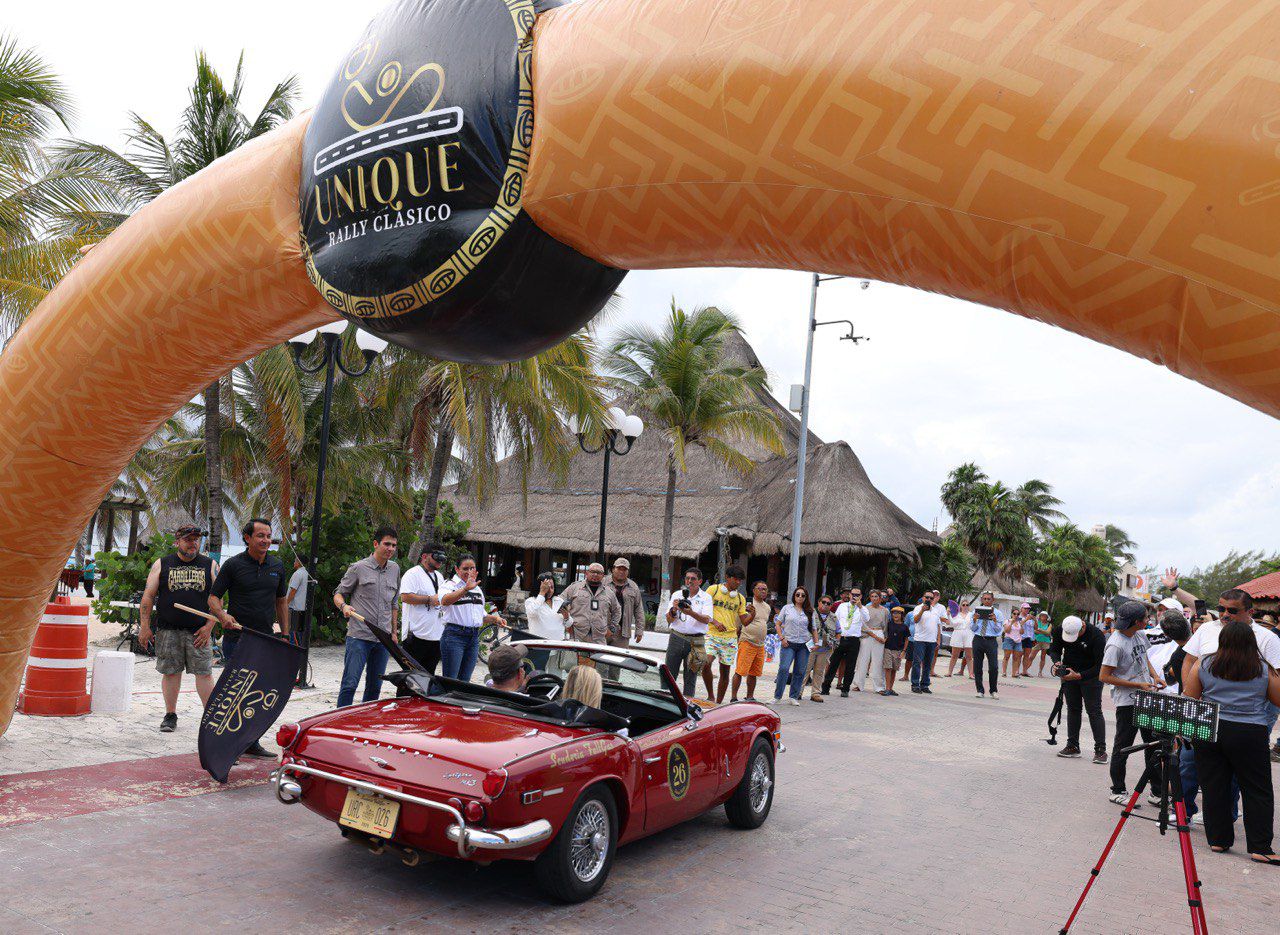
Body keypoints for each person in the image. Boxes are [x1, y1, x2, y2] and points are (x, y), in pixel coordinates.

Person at [1183, 621, 1280, 864]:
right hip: (1250, 732)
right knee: (1257, 789)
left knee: (1214, 786)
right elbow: (1278, 699)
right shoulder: (1262, 668)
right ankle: (1260, 847)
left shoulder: (1204, 663)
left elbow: (1191, 696)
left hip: (1211, 729)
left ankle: (1218, 839)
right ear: (1252, 642)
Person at [207, 518, 289, 759]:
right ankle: (225, 745)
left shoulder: (277, 565)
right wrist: (222, 615)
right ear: (247, 538)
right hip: (237, 638)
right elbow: (213, 598)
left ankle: (251, 741)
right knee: (234, 693)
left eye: (268, 536)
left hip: (265, 640)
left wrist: (285, 635)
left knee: (257, 694)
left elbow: (281, 602)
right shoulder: (233, 565)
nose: (266, 540)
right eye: (260, 536)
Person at [139, 524, 217, 733]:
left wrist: (209, 627)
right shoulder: (162, 564)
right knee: (171, 673)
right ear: (177, 542)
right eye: (188, 539)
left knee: (204, 673)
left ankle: (211, 717)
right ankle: (170, 715)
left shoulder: (210, 565)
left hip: (199, 632)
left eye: (196, 539)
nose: (193, 543)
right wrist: (144, 626)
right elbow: (148, 596)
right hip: (168, 630)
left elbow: (217, 600)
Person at [1100, 601, 1165, 805]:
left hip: (1146, 699)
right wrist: (1137, 685)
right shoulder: (1115, 644)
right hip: (1127, 703)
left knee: (1153, 745)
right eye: (1146, 617)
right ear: (1137, 621)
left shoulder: (1140, 634)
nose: (1148, 620)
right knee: (1123, 746)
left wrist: (1155, 676)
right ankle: (1117, 790)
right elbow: (1104, 676)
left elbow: (1144, 658)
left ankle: (1156, 792)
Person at [334, 526, 401, 708]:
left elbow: (394, 604)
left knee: (375, 687)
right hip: (359, 636)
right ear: (375, 544)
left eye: (394, 545)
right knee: (350, 684)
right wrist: (344, 606)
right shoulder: (358, 568)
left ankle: (366, 722)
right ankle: (341, 721)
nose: (390, 549)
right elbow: (338, 594)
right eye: (387, 544)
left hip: (383, 639)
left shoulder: (395, 569)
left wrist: (394, 633)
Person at [1049, 614, 1108, 762]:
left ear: (1083, 626)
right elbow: (1054, 649)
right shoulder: (1061, 629)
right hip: (1069, 675)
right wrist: (1057, 662)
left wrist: (1080, 675)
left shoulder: (1096, 636)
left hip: (1091, 676)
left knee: (1094, 711)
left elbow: (1100, 666)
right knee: (1073, 709)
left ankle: (1100, 750)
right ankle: (1073, 746)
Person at [438, 554, 504, 682]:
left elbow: (481, 616)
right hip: (454, 636)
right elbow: (444, 601)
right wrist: (465, 589)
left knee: (465, 680)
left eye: (472, 568)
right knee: (450, 680)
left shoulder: (477, 589)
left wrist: (496, 619)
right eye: (465, 568)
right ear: (457, 569)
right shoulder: (449, 585)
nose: (469, 572)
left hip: (473, 638)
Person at [665, 568, 714, 699]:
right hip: (676, 637)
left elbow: (707, 619)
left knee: (690, 678)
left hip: (696, 640)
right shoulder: (677, 594)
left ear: (700, 581)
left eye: (693, 579)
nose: (689, 581)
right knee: (669, 675)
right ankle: (666, 702)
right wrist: (674, 610)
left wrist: (690, 613)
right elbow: (669, 620)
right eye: (687, 578)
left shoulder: (706, 597)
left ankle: (687, 705)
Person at [706, 565, 751, 702]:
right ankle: (710, 696)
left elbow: (745, 621)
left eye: (740, 580)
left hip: (730, 638)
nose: (738, 582)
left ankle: (718, 703)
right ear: (727, 577)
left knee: (725, 672)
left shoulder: (740, 598)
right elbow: (703, 610)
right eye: (735, 579)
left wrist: (753, 615)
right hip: (711, 634)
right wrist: (715, 622)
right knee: (705, 663)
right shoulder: (713, 590)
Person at [400, 543, 446, 674]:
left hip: (435, 636)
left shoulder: (439, 576)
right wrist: (429, 599)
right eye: (436, 557)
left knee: (429, 677)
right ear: (424, 557)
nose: (439, 561)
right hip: (415, 635)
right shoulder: (412, 574)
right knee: (411, 676)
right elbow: (405, 597)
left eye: (442, 558)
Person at [559, 562, 621, 647]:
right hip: (576, 634)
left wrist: (612, 628)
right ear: (586, 573)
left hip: (599, 637)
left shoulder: (609, 592)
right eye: (592, 571)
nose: (595, 574)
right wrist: (566, 622)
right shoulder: (574, 587)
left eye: (598, 572)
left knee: (598, 656)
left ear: (603, 576)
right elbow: (559, 602)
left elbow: (617, 610)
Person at [772, 586, 814, 706]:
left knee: (800, 671)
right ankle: (777, 696)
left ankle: (793, 696)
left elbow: (814, 628)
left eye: (803, 595)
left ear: (806, 597)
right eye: (797, 594)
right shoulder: (787, 608)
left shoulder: (810, 610)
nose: (800, 597)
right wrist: (782, 638)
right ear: (794, 596)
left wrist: (815, 643)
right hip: (788, 643)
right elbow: (778, 624)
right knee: (784, 668)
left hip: (804, 644)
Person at [731, 581, 770, 702]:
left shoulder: (767, 607)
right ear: (753, 590)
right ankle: (733, 697)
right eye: (760, 589)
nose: (763, 591)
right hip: (747, 641)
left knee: (754, 673)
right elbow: (738, 622)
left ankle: (750, 696)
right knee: (740, 671)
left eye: (765, 589)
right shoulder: (747, 604)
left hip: (760, 645)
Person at [825, 587, 867, 696]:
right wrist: (835, 635)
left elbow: (867, 619)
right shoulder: (842, 606)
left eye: (857, 595)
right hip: (841, 638)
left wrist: (860, 607)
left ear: (861, 596)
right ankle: (826, 687)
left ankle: (845, 689)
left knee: (850, 666)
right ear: (850, 595)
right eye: (853, 594)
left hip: (854, 640)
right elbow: (836, 620)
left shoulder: (863, 609)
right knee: (833, 663)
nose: (854, 596)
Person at [523, 571, 567, 670]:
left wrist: (567, 616)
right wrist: (542, 593)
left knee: (555, 674)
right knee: (537, 672)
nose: (550, 590)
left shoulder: (559, 601)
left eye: (552, 587)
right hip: (539, 646)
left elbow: (568, 623)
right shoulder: (531, 601)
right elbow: (532, 612)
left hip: (557, 645)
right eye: (547, 587)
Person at [970, 591, 1005, 699]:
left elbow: (999, 631)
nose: (986, 601)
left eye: (989, 599)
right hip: (978, 639)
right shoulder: (975, 612)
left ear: (993, 600)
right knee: (977, 666)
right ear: (982, 600)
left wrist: (994, 621)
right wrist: (975, 620)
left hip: (991, 640)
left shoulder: (998, 613)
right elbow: (973, 628)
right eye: (984, 599)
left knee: (994, 667)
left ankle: (993, 690)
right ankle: (980, 690)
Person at [852, 589, 888, 694]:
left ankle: (879, 687)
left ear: (880, 598)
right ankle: (859, 684)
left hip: (879, 633)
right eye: (872, 596)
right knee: (862, 660)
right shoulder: (865, 608)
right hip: (867, 634)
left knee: (878, 661)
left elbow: (886, 626)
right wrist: (873, 635)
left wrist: (884, 638)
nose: (874, 598)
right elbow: (862, 624)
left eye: (876, 596)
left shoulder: (885, 610)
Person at [910, 591, 945, 694]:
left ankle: (925, 685)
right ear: (923, 598)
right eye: (927, 597)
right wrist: (922, 610)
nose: (929, 599)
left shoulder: (936, 611)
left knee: (928, 664)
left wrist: (938, 639)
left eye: (931, 598)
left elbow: (938, 625)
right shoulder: (918, 608)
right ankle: (915, 684)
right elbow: (915, 620)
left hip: (931, 641)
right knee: (917, 663)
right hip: (920, 640)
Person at [806, 595, 837, 703]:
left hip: (825, 649)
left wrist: (835, 643)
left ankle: (815, 693)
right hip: (811, 647)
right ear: (819, 602)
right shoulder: (810, 613)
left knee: (819, 672)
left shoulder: (834, 617)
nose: (825, 605)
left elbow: (838, 632)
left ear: (831, 605)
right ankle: (798, 692)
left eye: (828, 603)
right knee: (804, 670)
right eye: (823, 602)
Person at [610, 557, 646, 645]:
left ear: (628, 571)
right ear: (613, 569)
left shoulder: (633, 587)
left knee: (620, 654)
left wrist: (639, 631)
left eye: (624, 569)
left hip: (623, 632)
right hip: (602, 631)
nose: (621, 572)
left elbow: (639, 610)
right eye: (619, 568)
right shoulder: (603, 583)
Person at [881, 605, 909, 697]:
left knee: (894, 669)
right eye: (894, 613)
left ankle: (891, 688)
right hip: (888, 648)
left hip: (898, 651)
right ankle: (887, 688)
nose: (896, 615)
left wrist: (903, 651)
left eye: (898, 613)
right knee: (888, 668)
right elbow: (885, 634)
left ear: (902, 615)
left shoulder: (904, 627)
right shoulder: (889, 624)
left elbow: (906, 640)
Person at [947, 598, 973, 678]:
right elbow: (951, 624)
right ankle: (949, 672)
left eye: (967, 605)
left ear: (969, 606)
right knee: (954, 655)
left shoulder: (971, 614)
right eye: (963, 605)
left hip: (969, 634)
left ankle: (971, 674)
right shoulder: (956, 614)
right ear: (960, 606)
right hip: (957, 633)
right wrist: (948, 615)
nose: (965, 606)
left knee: (969, 656)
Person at [1023, 610, 1053, 676]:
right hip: (1037, 641)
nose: (1043, 616)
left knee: (1043, 657)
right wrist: (1044, 631)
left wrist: (1039, 630)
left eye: (1044, 615)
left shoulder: (1049, 624)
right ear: (1039, 616)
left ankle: (1040, 672)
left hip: (1046, 642)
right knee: (1031, 657)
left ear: (1047, 617)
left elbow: (1048, 633)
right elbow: (1034, 631)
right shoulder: (1037, 622)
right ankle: (1025, 670)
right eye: (1042, 615)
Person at [286, 557, 308, 637]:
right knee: (298, 634)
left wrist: (286, 604)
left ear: (299, 562)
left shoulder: (298, 573)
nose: (294, 562)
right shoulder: (306, 573)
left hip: (294, 608)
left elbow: (293, 591)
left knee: (293, 634)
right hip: (301, 608)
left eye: (295, 560)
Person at [1003, 606, 1026, 679]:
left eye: (1018, 614)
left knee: (1016, 658)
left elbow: (1022, 632)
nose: (1016, 615)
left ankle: (1014, 673)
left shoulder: (1019, 622)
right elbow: (1006, 631)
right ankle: (1004, 672)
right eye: (1014, 614)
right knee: (1007, 657)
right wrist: (1011, 623)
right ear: (1011, 614)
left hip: (1018, 641)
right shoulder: (1007, 621)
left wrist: (1021, 625)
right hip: (1009, 640)